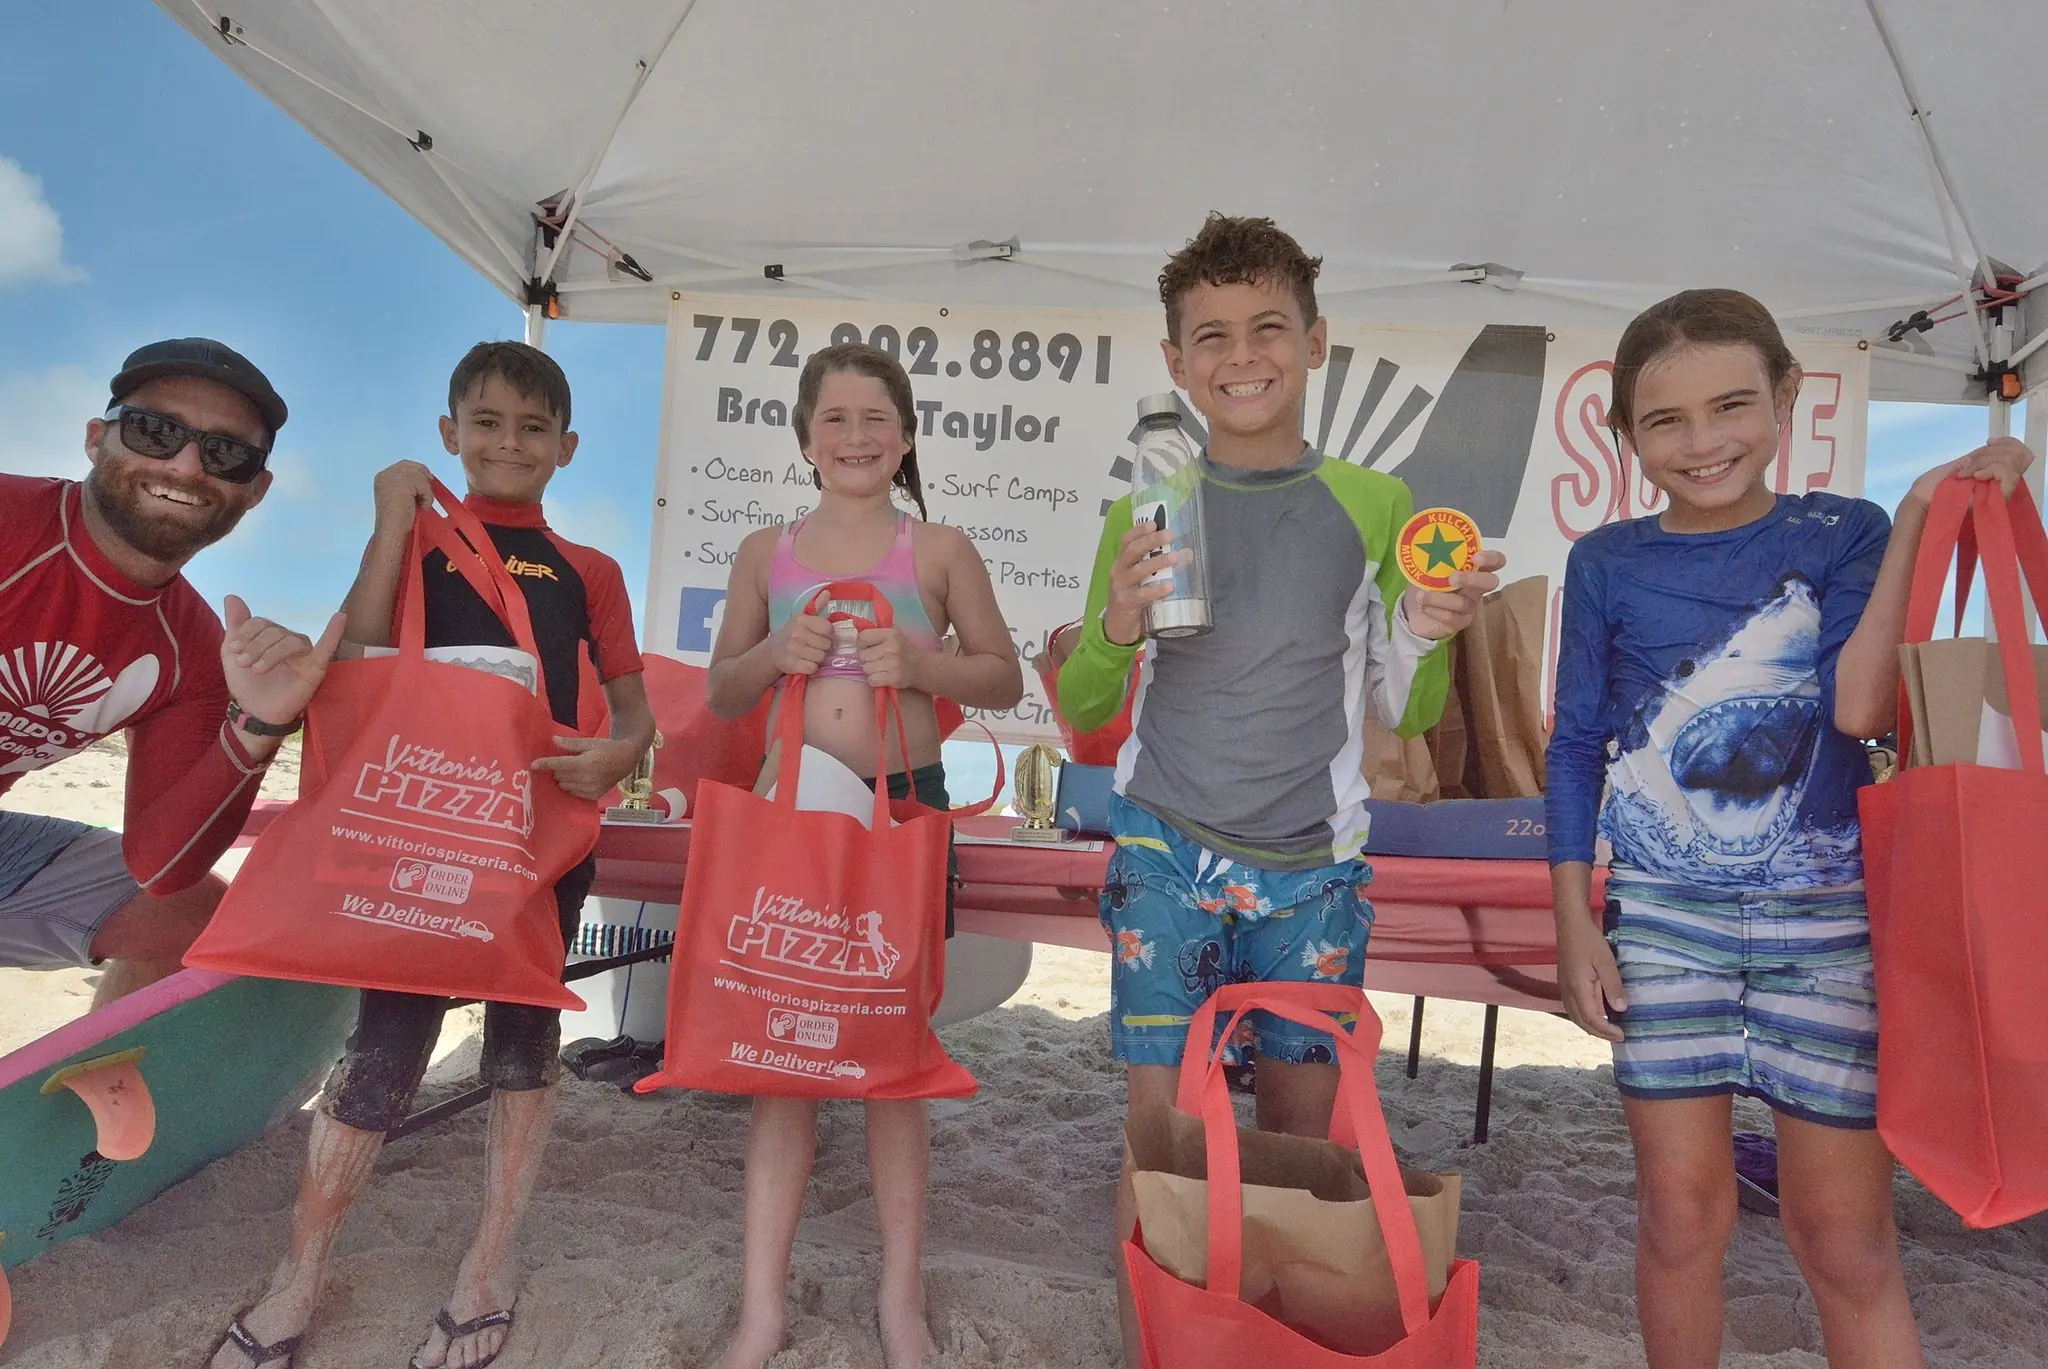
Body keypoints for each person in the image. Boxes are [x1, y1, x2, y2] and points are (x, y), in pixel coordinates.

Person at [1545, 286, 2035, 1369]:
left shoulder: (1841, 531)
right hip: (1660, 922)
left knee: (1844, 1243)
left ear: (1783, 399)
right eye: (1663, 420)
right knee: (1679, 1220)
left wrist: (1910, 517)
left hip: (1827, 926)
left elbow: (1858, 712)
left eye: (1730, 406)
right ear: (1622, 434)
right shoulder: (1604, 562)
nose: (1702, 440)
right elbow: (1573, 743)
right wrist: (1576, 923)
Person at [1055, 213, 1504, 1365]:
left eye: (1265, 327)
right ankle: (1154, 1342)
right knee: (1156, 1134)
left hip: (1312, 870)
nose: (1238, 354)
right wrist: (1111, 621)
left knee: (1299, 1139)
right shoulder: (1140, 506)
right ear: (1173, 362)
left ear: (1314, 343)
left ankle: (1279, 1341)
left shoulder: (1376, 504)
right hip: (1162, 850)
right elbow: (1095, 703)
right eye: (1208, 335)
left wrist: (1423, 623)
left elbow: (1403, 706)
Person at [208, 341, 655, 1369]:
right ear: (449, 434)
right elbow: (360, 655)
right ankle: (300, 1275)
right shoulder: (412, 545)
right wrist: (387, 525)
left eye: (533, 428)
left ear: (568, 447)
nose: (509, 443)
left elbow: (629, 708)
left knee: (522, 1045)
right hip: (424, 828)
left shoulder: (591, 571)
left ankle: (485, 1267)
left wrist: (619, 753)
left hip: (539, 830)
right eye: (487, 423)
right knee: (384, 1043)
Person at [704, 341, 1024, 1369]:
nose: (854, 435)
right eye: (833, 419)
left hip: (901, 808)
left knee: (893, 1053)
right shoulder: (767, 550)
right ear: (804, 440)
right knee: (780, 1060)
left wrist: (922, 664)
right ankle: (761, 1308)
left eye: (873, 418)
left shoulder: (937, 548)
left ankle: (899, 1298)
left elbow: (1003, 677)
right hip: (791, 810)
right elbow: (721, 692)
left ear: (908, 435)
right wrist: (771, 655)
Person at [1, 338, 342, 1008]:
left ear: (255, 489)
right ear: (97, 439)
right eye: (154, 431)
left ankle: (87, 1100)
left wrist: (258, 725)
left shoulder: (195, 650)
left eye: (224, 452)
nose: (186, 465)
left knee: (203, 922)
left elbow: (163, 869)